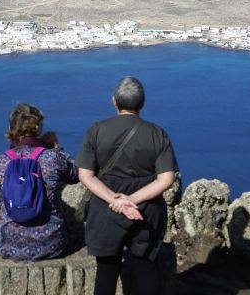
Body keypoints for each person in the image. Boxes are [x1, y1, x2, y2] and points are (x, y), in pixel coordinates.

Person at [76, 76, 178, 295]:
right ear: (142, 102)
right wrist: (131, 201)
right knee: (145, 266)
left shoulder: (96, 130)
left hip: (106, 208)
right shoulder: (157, 134)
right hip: (146, 209)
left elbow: (85, 175)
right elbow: (166, 179)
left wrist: (115, 200)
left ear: (114, 101)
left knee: (106, 270)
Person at [0, 104, 79, 261]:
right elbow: (75, 175)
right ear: (38, 128)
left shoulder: (1, 162)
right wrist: (57, 149)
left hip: (9, 244)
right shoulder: (51, 157)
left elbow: (0, 201)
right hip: (51, 242)